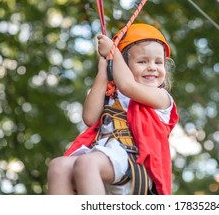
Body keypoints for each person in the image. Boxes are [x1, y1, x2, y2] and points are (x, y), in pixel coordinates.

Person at [47, 23, 179, 195]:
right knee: (58, 166)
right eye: (142, 61)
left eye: (158, 62)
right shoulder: (113, 95)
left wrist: (113, 52)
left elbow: (127, 85)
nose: (152, 67)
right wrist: (104, 72)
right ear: (124, 65)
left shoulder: (161, 98)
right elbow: (89, 118)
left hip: (133, 162)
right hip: (105, 156)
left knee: (86, 163)